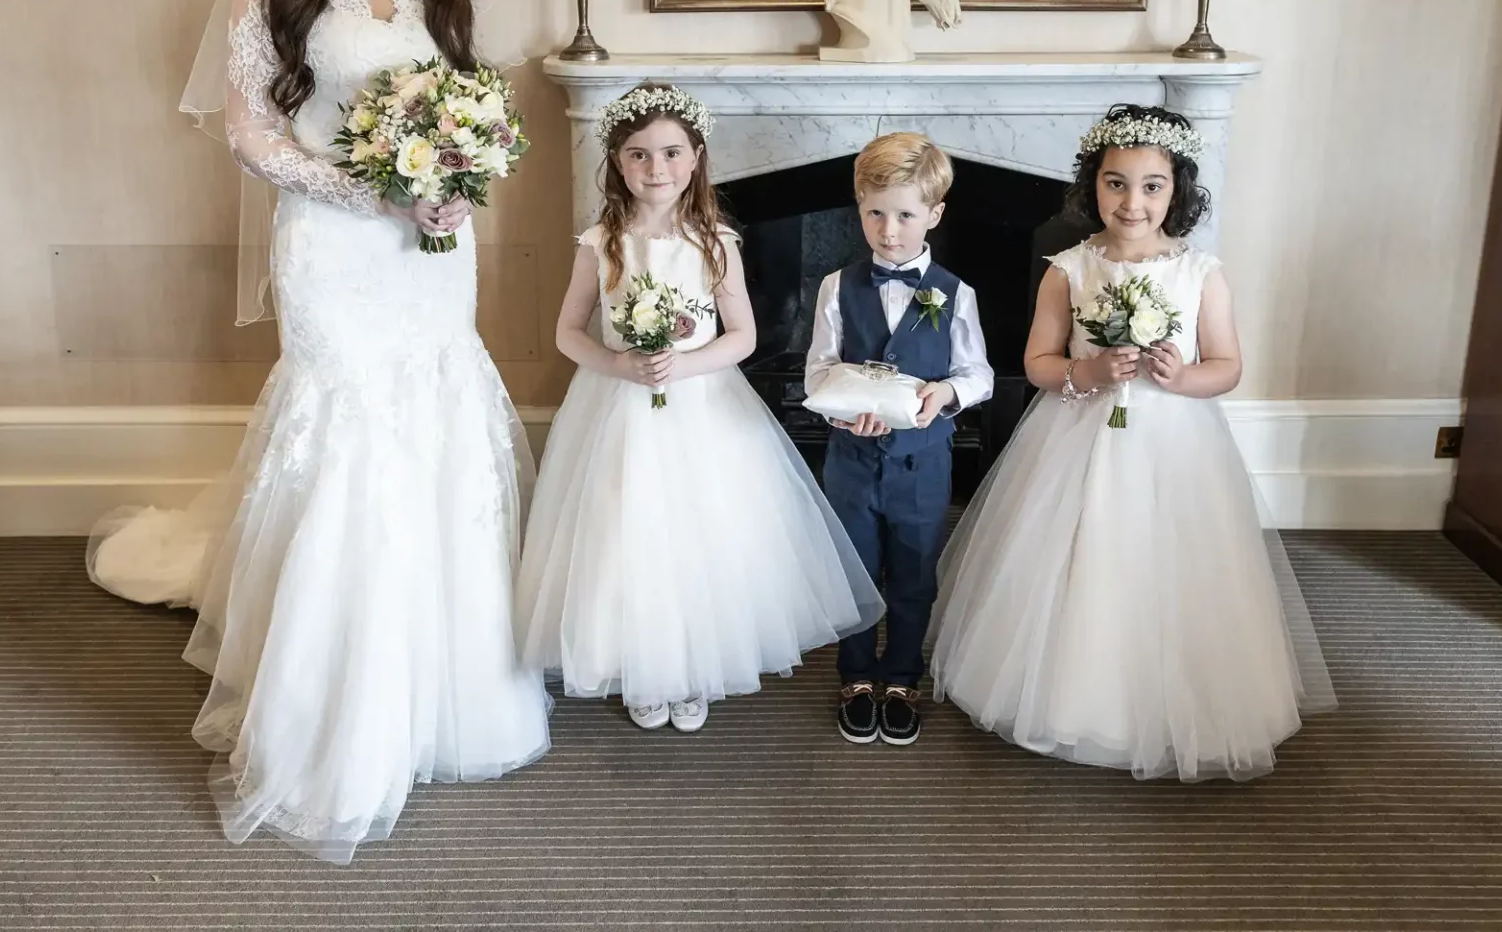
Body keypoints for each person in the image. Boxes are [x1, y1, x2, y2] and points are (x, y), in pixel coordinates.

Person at [85, 0, 549, 861]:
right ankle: (333, 710)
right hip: (337, 244)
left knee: (437, 421)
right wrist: (370, 186)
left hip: (433, 246)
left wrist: (450, 178)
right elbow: (248, 132)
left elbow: (463, 102)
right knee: (348, 438)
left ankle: (449, 679)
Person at [929, 104, 1335, 780]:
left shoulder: (1201, 272)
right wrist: (1086, 372)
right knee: (1083, 555)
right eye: (1116, 182)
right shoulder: (1069, 269)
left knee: (1176, 561)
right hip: (1079, 436)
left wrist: (1182, 376)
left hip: (1176, 444)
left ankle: (1180, 699)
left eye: (1152, 185)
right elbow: (1037, 363)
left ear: (1178, 191)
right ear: (1093, 185)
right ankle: (1072, 698)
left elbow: (1228, 366)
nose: (1133, 201)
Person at [515, 84, 882, 733]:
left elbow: (741, 335)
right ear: (617, 163)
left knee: (700, 533)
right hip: (616, 406)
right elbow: (569, 332)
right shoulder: (601, 241)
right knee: (626, 532)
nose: (656, 169)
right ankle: (641, 666)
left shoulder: (715, 240)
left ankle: (693, 667)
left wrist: (684, 362)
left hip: (703, 405)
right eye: (639, 155)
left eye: (670, 153)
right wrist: (622, 363)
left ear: (695, 157)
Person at [803, 132, 994, 747]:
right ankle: (857, 676)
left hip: (922, 462)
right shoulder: (837, 286)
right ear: (859, 209)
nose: (889, 230)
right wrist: (841, 414)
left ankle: (902, 677)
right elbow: (819, 369)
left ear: (934, 215)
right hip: (852, 461)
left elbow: (979, 374)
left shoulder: (954, 292)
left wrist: (945, 396)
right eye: (875, 213)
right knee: (854, 569)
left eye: (905, 215)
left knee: (914, 573)